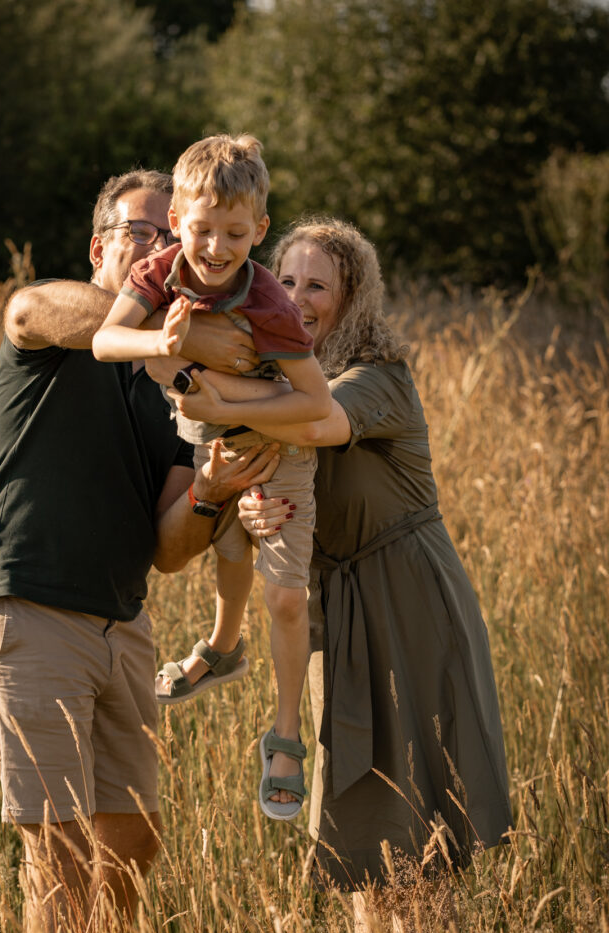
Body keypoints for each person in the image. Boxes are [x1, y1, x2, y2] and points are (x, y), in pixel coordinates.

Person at [0, 168, 279, 933]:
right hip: (25, 609)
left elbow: (172, 549)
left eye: (171, 235)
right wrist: (193, 338)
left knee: (131, 841)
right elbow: (25, 309)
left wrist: (213, 487)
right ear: (101, 249)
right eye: (141, 233)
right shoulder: (59, 331)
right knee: (57, 858)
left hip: (120, 629)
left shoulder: (173, 394)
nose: (162, 250)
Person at [163, 215, 513, 895]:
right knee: (353, 815)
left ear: (354, 298)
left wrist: (199, 391)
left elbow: (318, 421)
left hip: (407, 599)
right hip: (336, 610)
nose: (295, 298)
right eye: (284, 280)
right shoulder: (279, 380)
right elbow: (278, 482)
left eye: (317, 285)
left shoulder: (378, 377)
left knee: (417, 817)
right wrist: (254, 508)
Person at [92, 134, 331, 822]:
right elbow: (109, 339)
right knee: (228, 550)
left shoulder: (268, 302)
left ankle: (285, 735)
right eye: (202, 230)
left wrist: (225, 401)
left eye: (235, 233)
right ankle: (223, 648)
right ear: (177, 223)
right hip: (207, 440)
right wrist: (164, 345)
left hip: (281, 444)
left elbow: (316, 402)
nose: (218, 249)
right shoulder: (160, 271)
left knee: (285, 598)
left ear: (260, 229)